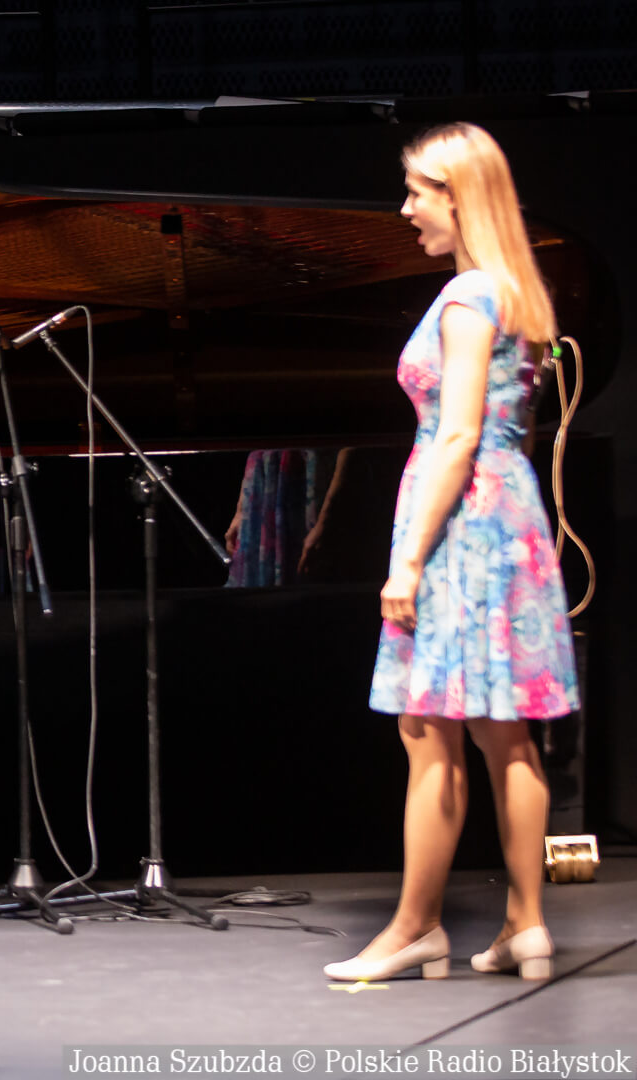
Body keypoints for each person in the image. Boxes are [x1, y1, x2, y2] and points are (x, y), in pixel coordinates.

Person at [323, 124, 579, 983]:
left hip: (462, 523)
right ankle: (525, 927)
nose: (406, 210)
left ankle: (414, 928)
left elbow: (460, 434)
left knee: (427, 727)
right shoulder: (518, 291)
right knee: (507, 734)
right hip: (511, 518)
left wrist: (407, 560)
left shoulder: (469, 295)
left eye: (418, 193)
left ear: (459, 198)